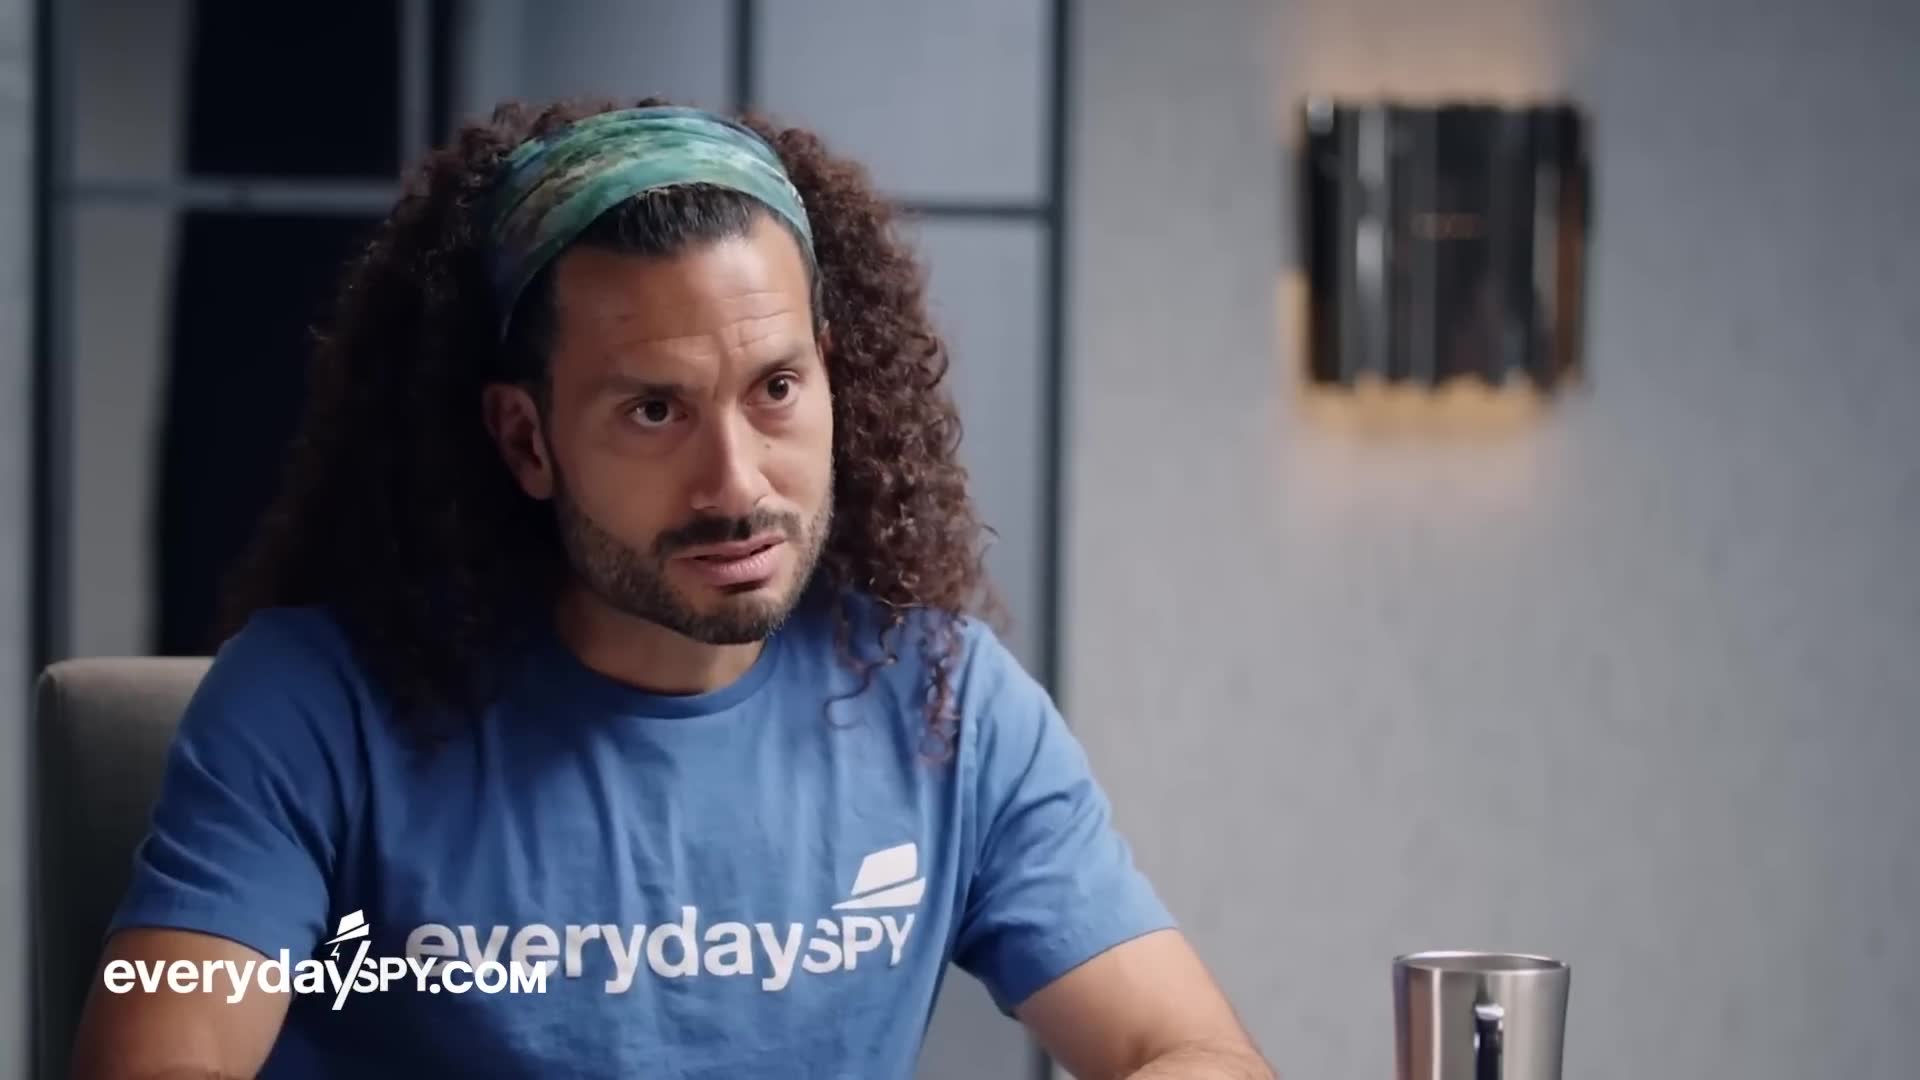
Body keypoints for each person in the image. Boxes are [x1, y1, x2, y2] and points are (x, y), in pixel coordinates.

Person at [72, 98, 1274, 1079]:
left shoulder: (945, 705)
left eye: (776, 390)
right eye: (655, 410)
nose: (736, 482)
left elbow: (1185, 1050)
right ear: (526, 439)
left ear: (833, 378)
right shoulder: (308, 706)